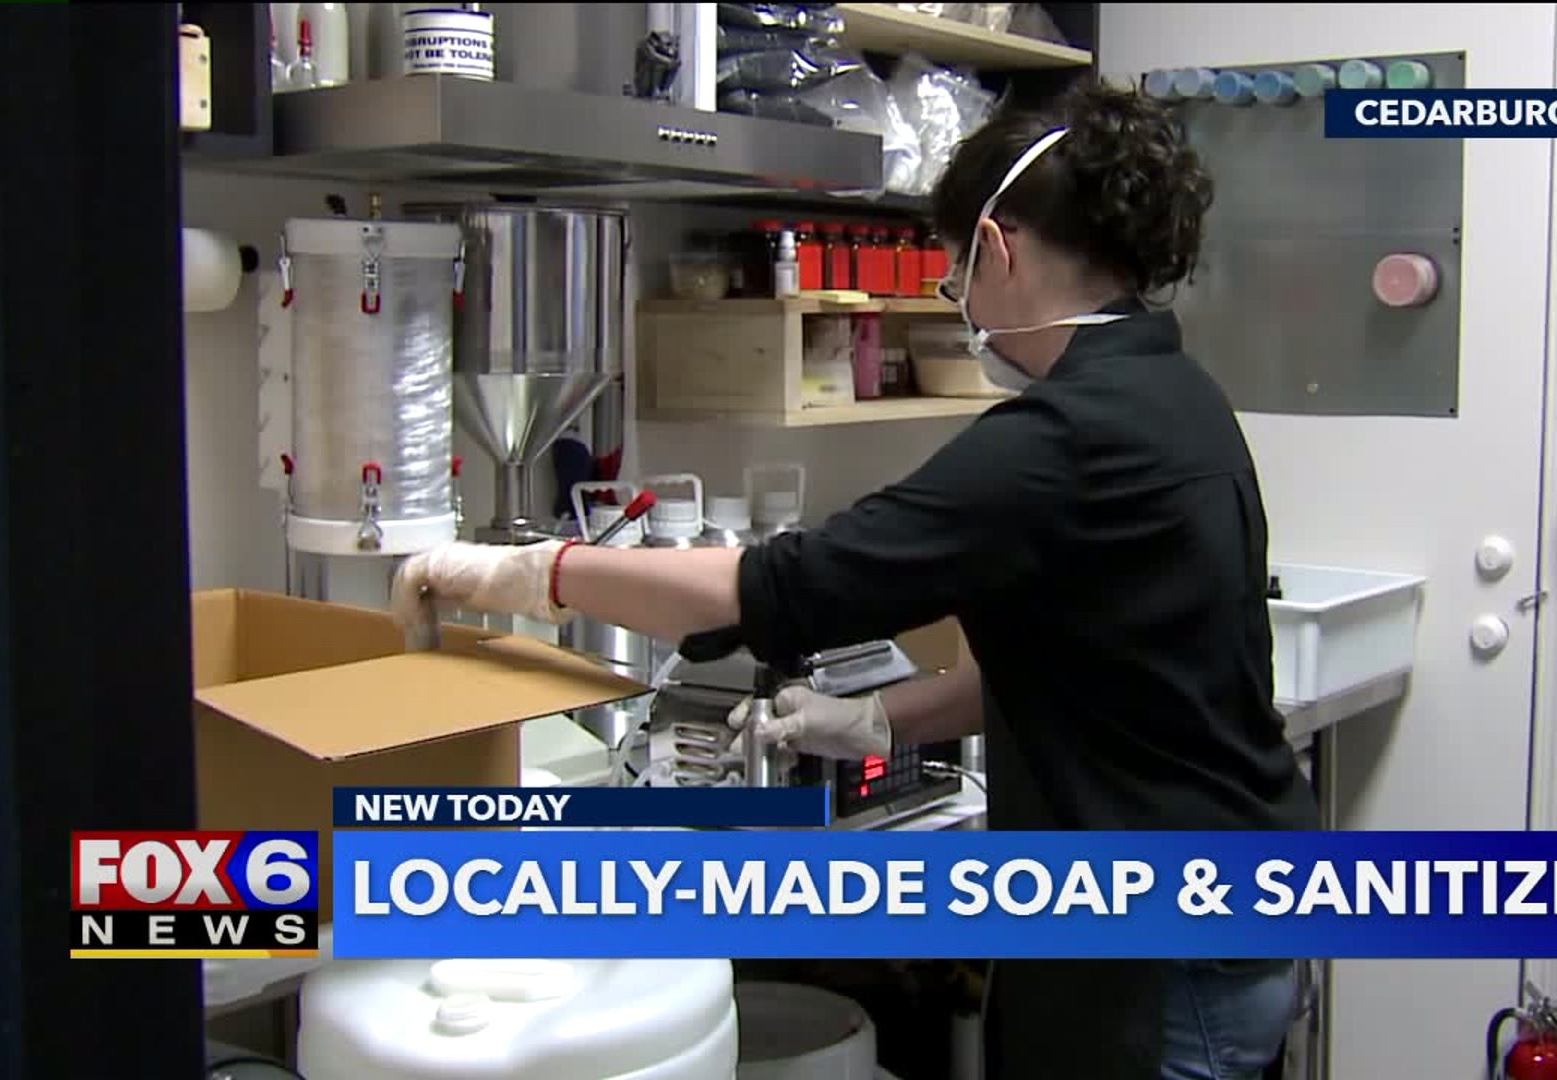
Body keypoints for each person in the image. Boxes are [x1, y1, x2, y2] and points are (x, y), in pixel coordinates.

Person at [391, 79, 1319, 1079]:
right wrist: (880, 720)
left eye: (956, 268)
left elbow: (787, 585)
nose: (959, 295)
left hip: (1162, 958)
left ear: (998, 249)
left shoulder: (1064, 440)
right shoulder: (1177, 395)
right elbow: (1075, 663)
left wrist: (532, 571)